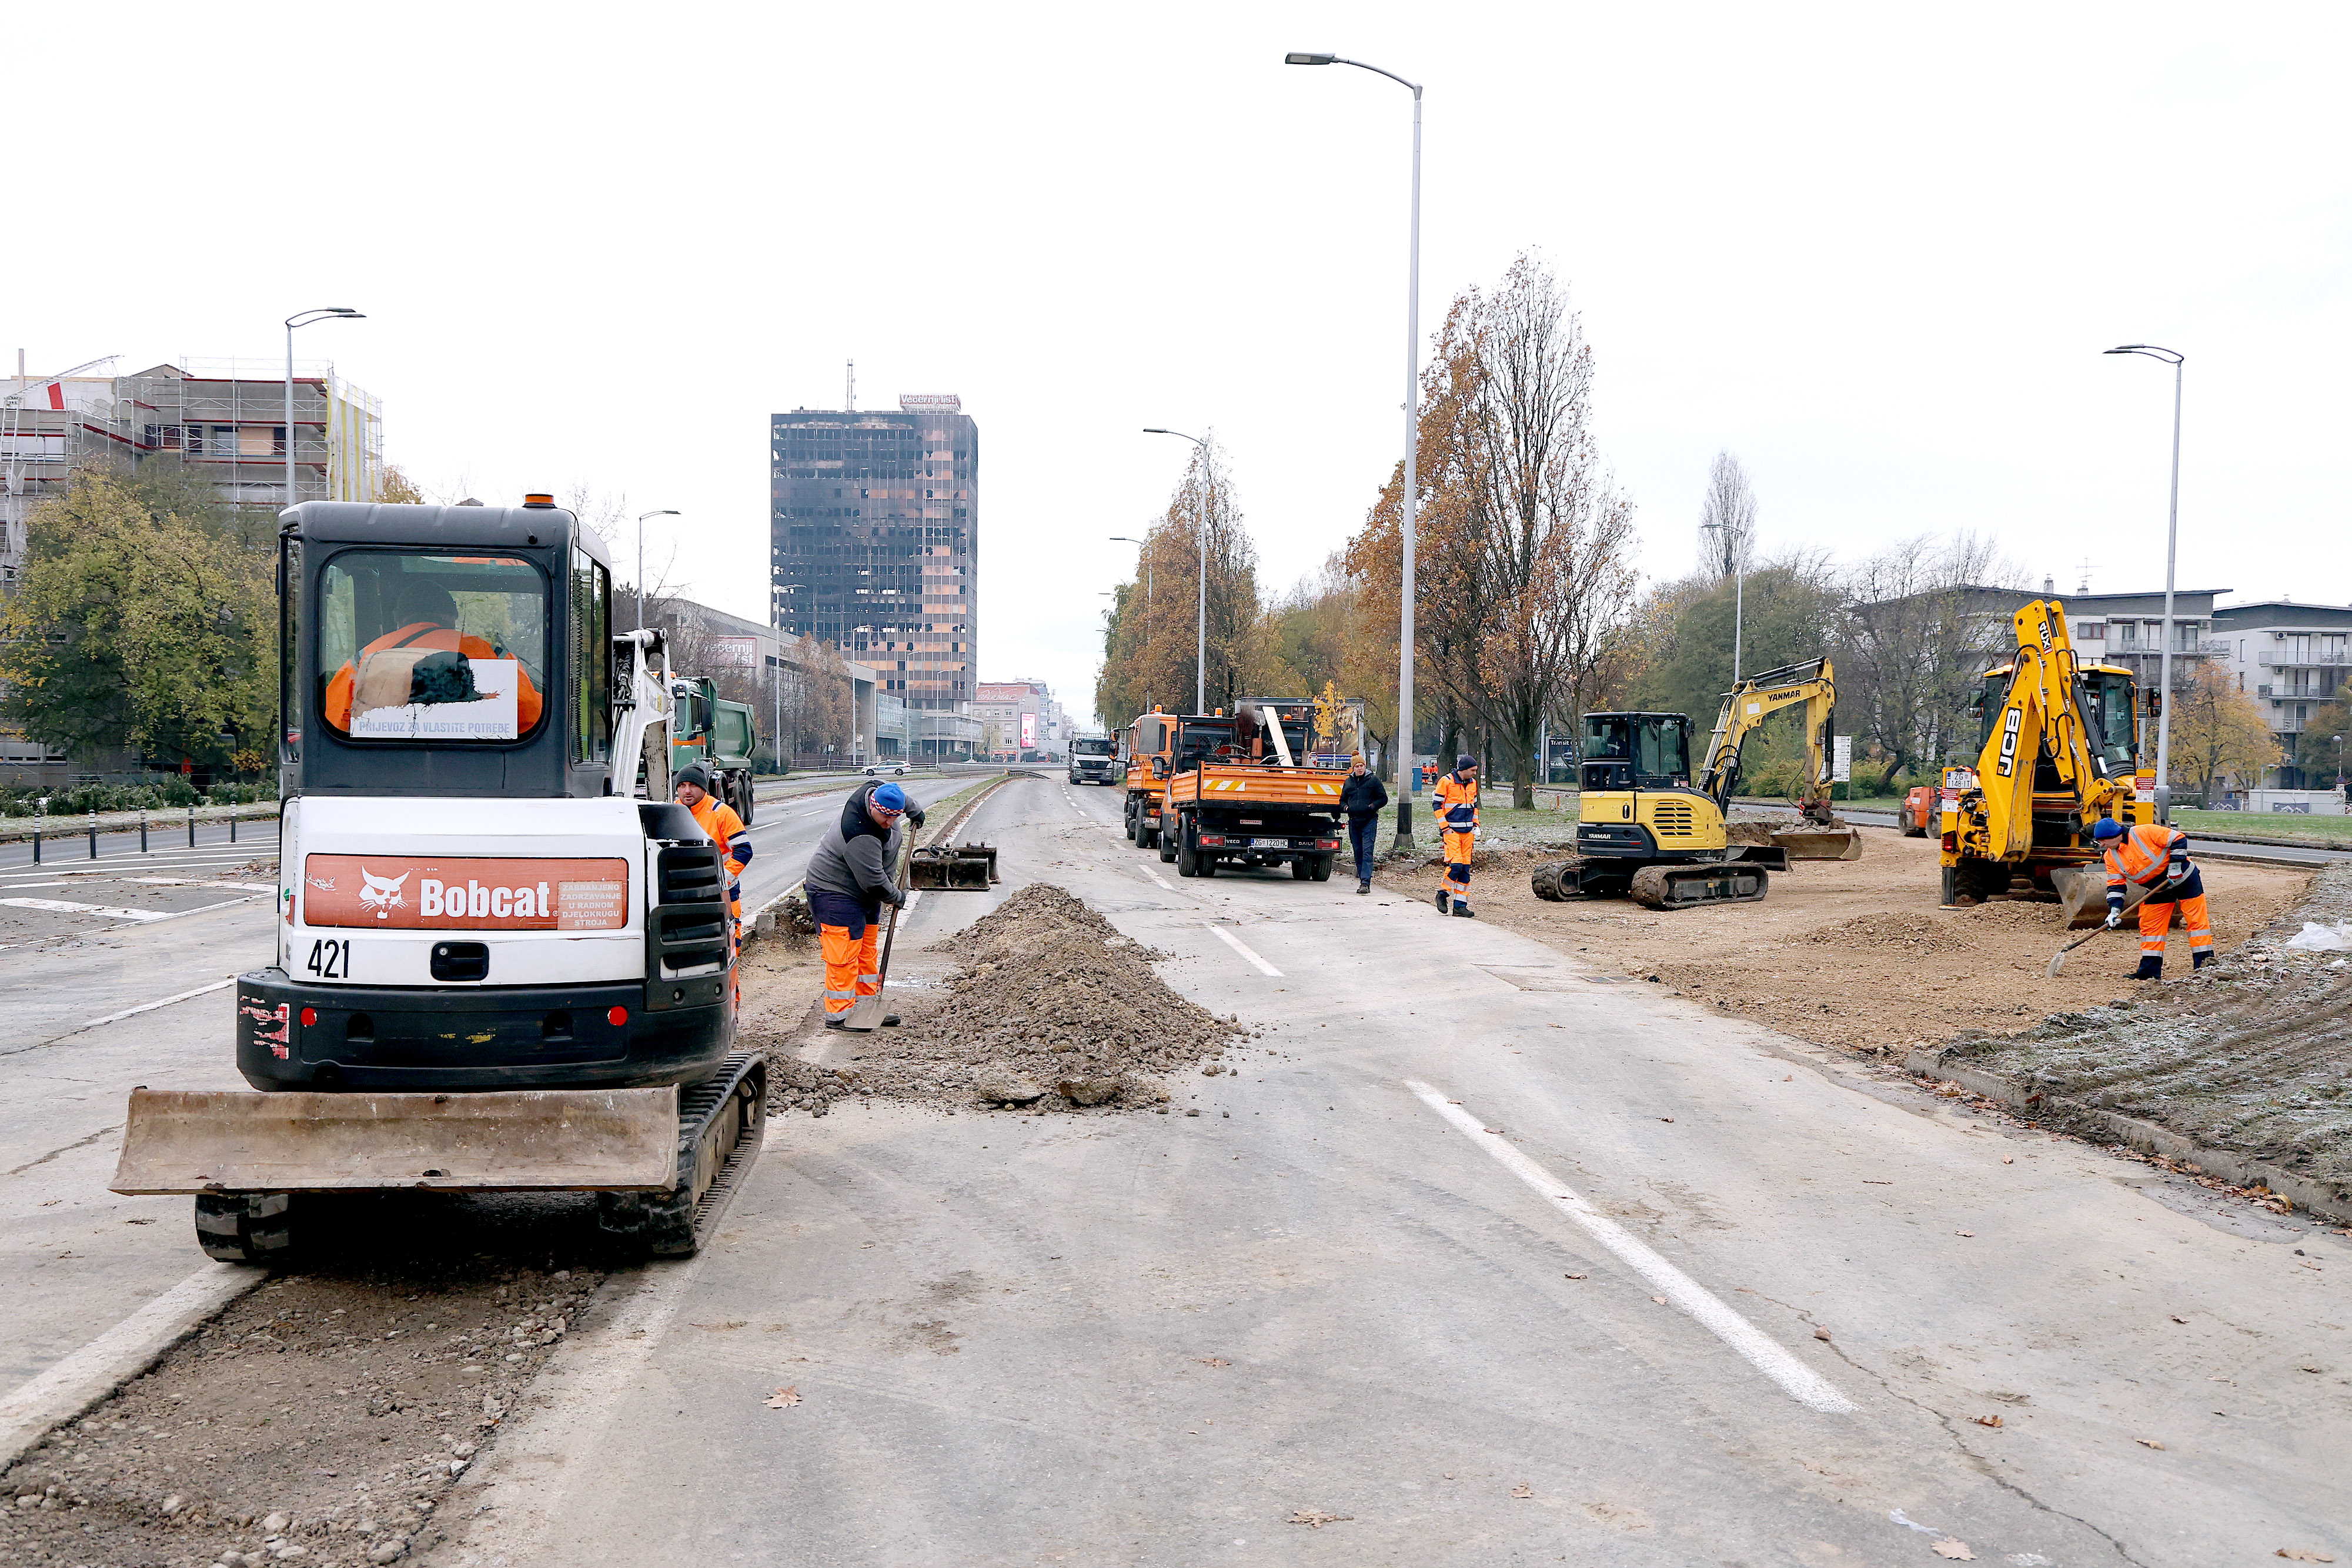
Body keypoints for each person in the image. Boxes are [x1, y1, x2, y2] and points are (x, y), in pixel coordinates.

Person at [323, 581, 543, 733]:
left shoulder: (366, 658)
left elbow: (334, 724)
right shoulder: (494, 656)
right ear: (453, 617)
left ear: (398, 619)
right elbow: (532, 718)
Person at [804, 779, 926, 1028]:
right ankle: (839, 1015)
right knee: (844, 955)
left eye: (895, 816)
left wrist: (914, 809)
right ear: (873, 807)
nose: (890, 823)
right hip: (834, 892)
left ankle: (866, 1006)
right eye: (885, 817)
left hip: (863, 893)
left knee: (866, 951)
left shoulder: (877, 792)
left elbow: (897, 795)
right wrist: (897, 897)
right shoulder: (859, 832)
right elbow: (875, 882)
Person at [2093, 817, 2212, 979]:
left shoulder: (2144, 832)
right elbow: (2116, 886)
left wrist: (2175, 866)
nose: (2102, 845)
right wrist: (2114, 910)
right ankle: (2149, 972)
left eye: (2103, 840)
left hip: (2185, 879)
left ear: (2115, 835)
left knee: (2197, 922)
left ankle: (2205, 967)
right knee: (2151, 926)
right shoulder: (2110, 857)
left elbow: (2178, 838)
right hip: (2158, 889)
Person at [674, 764, 751, 928]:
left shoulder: (722, 813)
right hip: (683, 893)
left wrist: (723, 880)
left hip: (721, 891)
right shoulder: (672, 813)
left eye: (693, 785)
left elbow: (744, 851)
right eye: (682, 785)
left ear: (703, 788)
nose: (687, 791)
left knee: (730, 932)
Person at [1432, 754, 1478, 918]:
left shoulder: (1473, 783)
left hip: (1468, 833)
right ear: (1463, 770)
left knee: (1465, 870)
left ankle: (1460, 906)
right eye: (1472, 770)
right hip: (1451, 831)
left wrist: (1476, 825)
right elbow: (1437, 805)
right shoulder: (1446, 781)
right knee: (1456, 866)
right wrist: (1445, 828)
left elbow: (1474, 806)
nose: (1474, 773)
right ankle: (1442, 894)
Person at [1339, 752, 1388, 895]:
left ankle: (1365, 883)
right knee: (1358, 852)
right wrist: (1345, 808)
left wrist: (1372, 807)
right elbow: (1342, 800)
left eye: (1362, 766)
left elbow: (1383, 798)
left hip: (1369, 821)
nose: (1360, 768)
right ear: (1353, 768)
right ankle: (1362, 880)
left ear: (1365, 766)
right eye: (1357, 766)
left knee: (1367, 851)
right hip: (1354, 821)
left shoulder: (1374, 780)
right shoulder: (1349, 782)